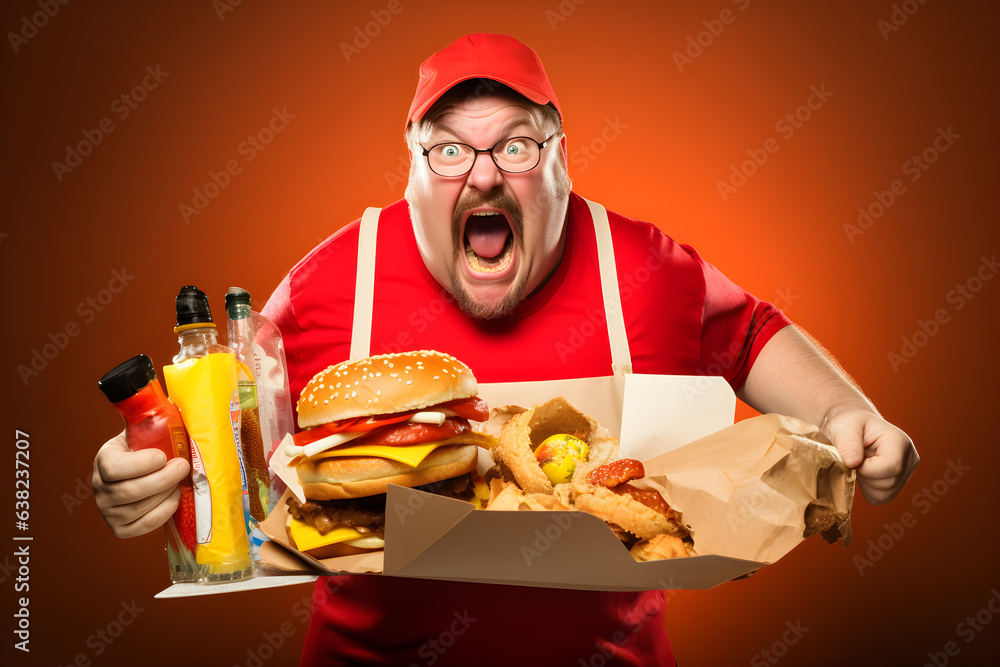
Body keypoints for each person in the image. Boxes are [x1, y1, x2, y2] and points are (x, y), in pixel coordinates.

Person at [93, 33, 919, 666]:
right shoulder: (327, 281)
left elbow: (752, 333)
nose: (482, 176)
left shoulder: (644, 264)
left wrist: (851, 412)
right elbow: (222, 441)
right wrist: (141, 474)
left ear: (560, 158)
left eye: (516, 145)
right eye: (449, 149)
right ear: (412, 169)